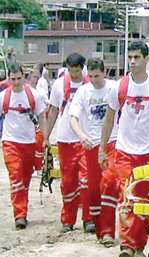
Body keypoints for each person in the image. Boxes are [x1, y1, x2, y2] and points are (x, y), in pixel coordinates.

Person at [99, 41, 149, 257]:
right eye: (131, 57)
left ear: (146, 59)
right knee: (127, 196)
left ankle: (139, 245)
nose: (133, 62)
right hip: (124, 151)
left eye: (137, 57)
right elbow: (108, 119)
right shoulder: (120, 87)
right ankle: (126, 244)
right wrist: (102, 149)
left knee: (144, 200)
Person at [69, 58, 119, 247]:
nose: (94, 80)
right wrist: (81, 135)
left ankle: (108, 230)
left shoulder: (114, 88)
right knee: (94, 187)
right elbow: (73, 118)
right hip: (91, 144)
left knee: (110, 182)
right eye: (90, 76)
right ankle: (100, 227)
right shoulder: (83, 91)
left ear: (105, 73)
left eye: (97, 76)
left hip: (113, 141)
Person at [44, 53, 93, 233]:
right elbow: (53, 111)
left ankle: (89, 218)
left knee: (87, 180)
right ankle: (68, 219)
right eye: (71, 72)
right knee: (68, 181)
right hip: (65, 138)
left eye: (77, 71)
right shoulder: (59, 84)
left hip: (86, 138)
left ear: (83, 68)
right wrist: (46, 136)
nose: (75, 75)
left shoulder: (90, 84)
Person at [0, 63, 46, 229]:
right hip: (10, 142)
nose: (16, 82)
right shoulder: (4, 96)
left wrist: (45, 137)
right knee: (16, 176)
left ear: (24, 77)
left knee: (25, 179)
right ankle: (19, 215)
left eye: (19, 78)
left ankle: (23, 210)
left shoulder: (33, 95)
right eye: (13, 79)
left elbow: (42, 117)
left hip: (29, 142)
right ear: (9, 79)